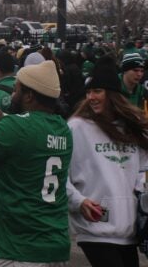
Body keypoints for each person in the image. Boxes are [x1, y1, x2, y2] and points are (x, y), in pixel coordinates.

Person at [0, 60, 73, 266]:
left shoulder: (16, 127)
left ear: (29, 95)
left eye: (16, 89)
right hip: (55, 245)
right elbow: (27, 142)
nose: (12, 94)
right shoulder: (63, 128)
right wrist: (2, 121)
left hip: (16, 247)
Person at [67, 57, 148, 267]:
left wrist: (139, 191)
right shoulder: (77, 128)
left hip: (128, 230)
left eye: (97, 91)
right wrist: (78, 201)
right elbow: (59, 175)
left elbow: (142, 169)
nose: (91, 97)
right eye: (88, 92)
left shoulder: (130, 128)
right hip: (95, 229)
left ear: (112, 95)